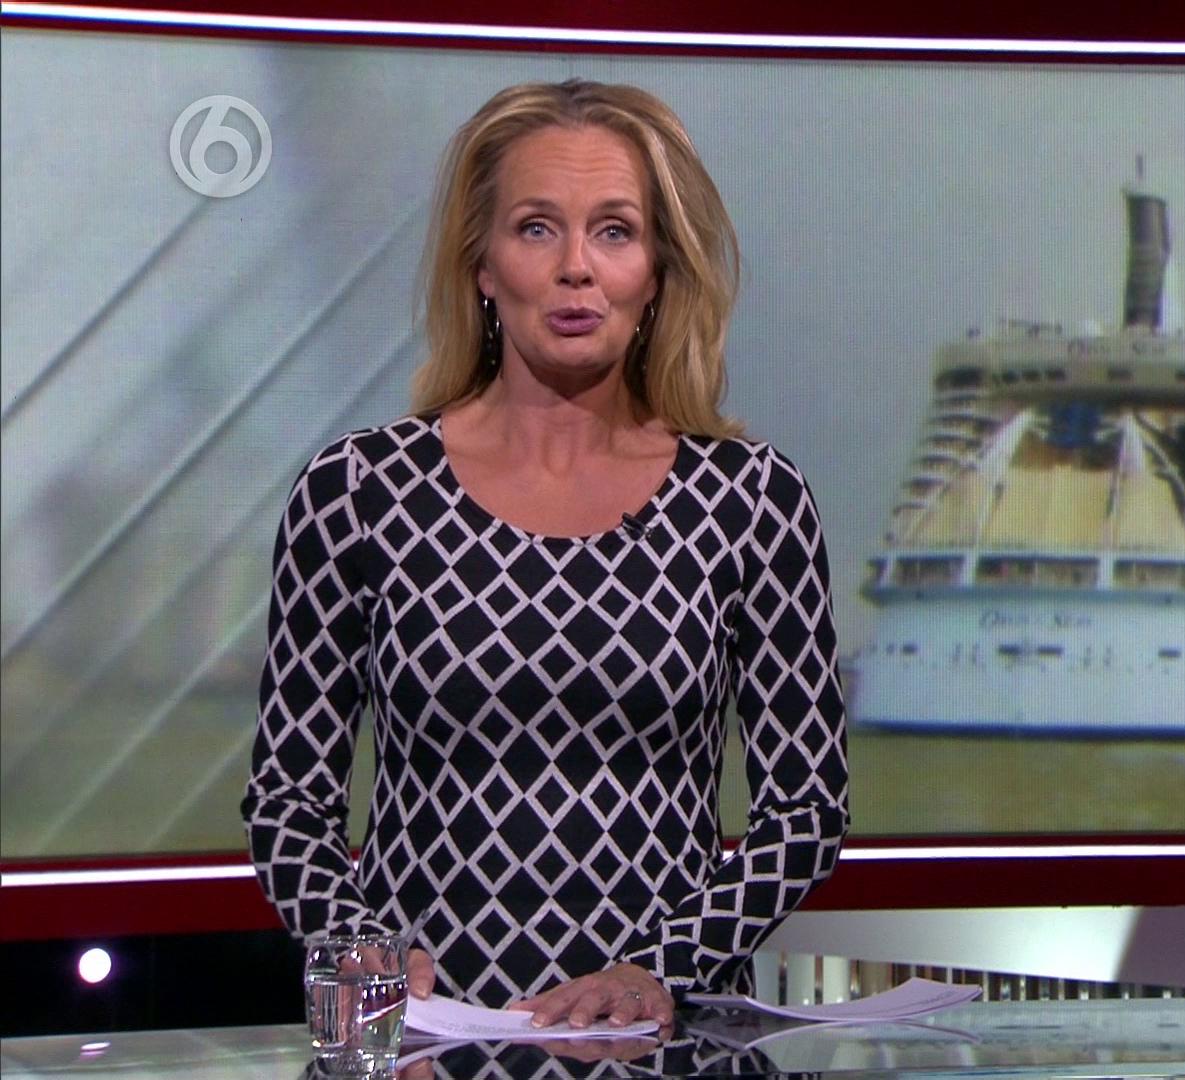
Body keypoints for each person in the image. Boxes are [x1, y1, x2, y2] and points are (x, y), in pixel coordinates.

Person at [242, 79, 850, 1037]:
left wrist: (665, 968)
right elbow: (289, 798)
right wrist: (358, 948)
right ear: (481, 264)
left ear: (659, 267)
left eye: (614, 231)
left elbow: (806, 806)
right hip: (422, 1034)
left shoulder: (751, 500)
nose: (576, 268)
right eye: (536, 229)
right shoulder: (359, 492)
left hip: (663, 1036)